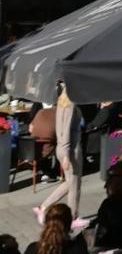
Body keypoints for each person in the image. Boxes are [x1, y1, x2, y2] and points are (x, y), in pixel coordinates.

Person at [34, 87, 84, 226]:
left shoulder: (62, 102)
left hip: (64, 148)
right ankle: (72, 218)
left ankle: (43, 208)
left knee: (71, 183)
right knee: (74, 185)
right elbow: (65, 129)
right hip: (70, 148)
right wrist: (67, 154)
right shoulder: (69, 102)